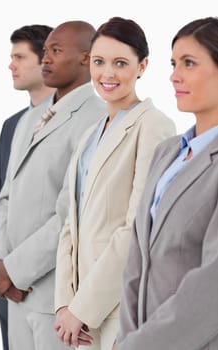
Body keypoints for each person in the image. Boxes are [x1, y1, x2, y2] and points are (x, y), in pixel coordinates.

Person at [54, 17, 176, 350]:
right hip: (79, 318)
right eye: (99, 62)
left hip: (117, 307)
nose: (107, 74)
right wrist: (65, 304)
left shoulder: (154, 127)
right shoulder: (89, 136)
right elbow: (70, 224)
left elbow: (136, 228)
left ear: (143, 66)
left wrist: (82, 308)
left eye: (120, 63)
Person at [0, 20, 107, 350]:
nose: (46, 59)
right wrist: (0, 264)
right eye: (44, 52)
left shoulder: (98, 118)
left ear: (86, 58)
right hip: (14, 295)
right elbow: (4, 197)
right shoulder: (28, 119)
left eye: (56, 51)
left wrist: (14, 269)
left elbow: (75, 214)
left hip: (57, 300)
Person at [113, 16, 218, 350]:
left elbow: (211, 287)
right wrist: (127, 338)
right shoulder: (167, 152)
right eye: (174, 63)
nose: (174, 75)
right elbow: (136, 260)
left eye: (189, 63)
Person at [0, 24, 54, 350]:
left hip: (49, 276)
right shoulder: (11, 125)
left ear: (46, 61)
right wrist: (2, 254)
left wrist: (21, 263)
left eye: (19, 57)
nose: (11, 65)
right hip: (7, 275)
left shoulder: (86, 120)